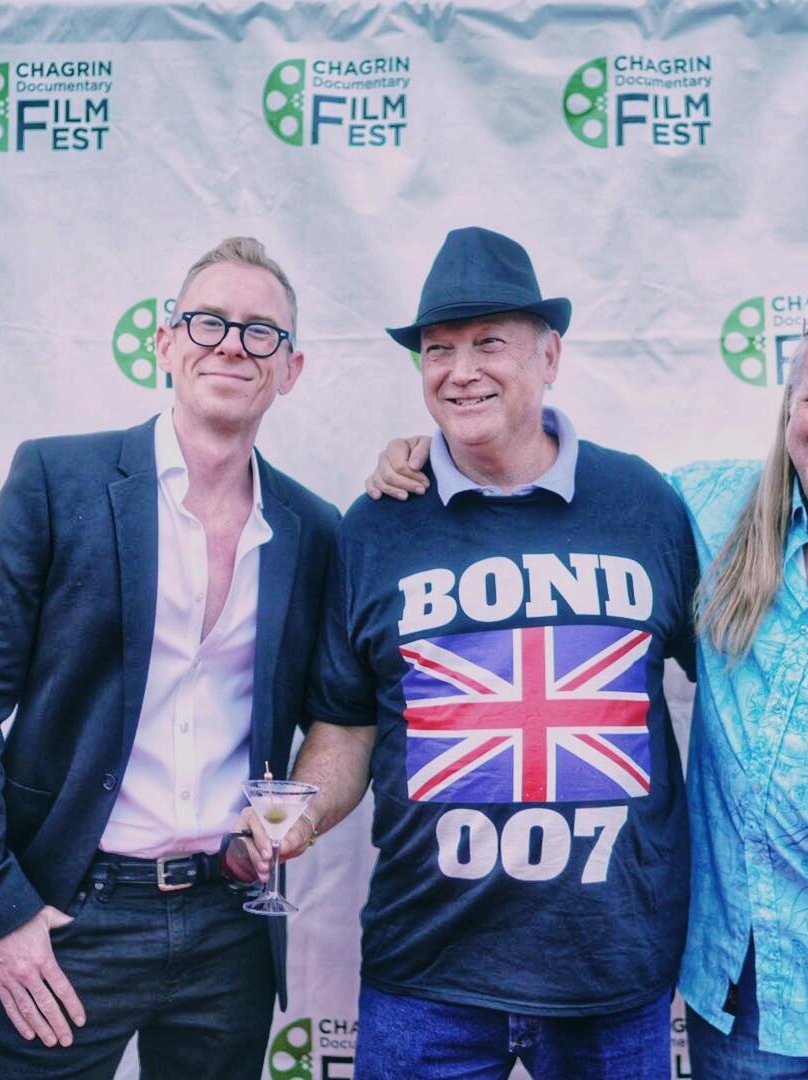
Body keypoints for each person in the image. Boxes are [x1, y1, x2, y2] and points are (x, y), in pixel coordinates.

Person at [368, 298, 808, 1080]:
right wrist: (443, 451)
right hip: (744, 999)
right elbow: (556, 492)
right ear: (789, 411)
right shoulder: (704, 514)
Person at [262, 227, 699, 1079]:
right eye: (439, 349)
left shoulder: (643, 503)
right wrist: (299, 820)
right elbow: (347, 726)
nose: (460, 370)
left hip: (611, 973)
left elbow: (729, 681)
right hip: (426, 974)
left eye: (489, 343)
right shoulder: (379, 524)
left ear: (549, 355)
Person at [0, 236, 339, 1078]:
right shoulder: (57, 479)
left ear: (290, 369)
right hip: (74, 912)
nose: (233, 345)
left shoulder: (315, 529)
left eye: (261, 332)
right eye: (209, 321)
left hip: (230, 924)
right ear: (165, 341)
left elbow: (337, 714)